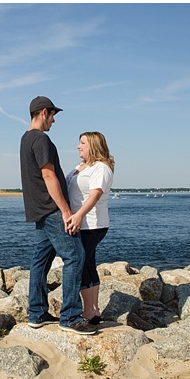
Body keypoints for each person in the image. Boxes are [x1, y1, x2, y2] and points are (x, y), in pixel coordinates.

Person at [19, 95, 97, 335]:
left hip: (38, 210)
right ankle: (71, 317)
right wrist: (65, 210)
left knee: (40, 261)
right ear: (44, 112)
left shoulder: (25, 139)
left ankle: (37, 312)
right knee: (75, 256)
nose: (54, 121)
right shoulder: (42, 140)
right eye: (53, 115)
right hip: (52, 210)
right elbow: (48, 176)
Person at [66, 131, 115, 324]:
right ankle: (93, 310)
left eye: (83, 143)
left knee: (81, 263)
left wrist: (78, 215)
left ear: (93, 146)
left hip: (92, 224)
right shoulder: (81, 167)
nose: (78, 146)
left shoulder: (100, 168)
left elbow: (94, 195)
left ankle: (88, 311)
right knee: (88, 264)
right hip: (84, 223)